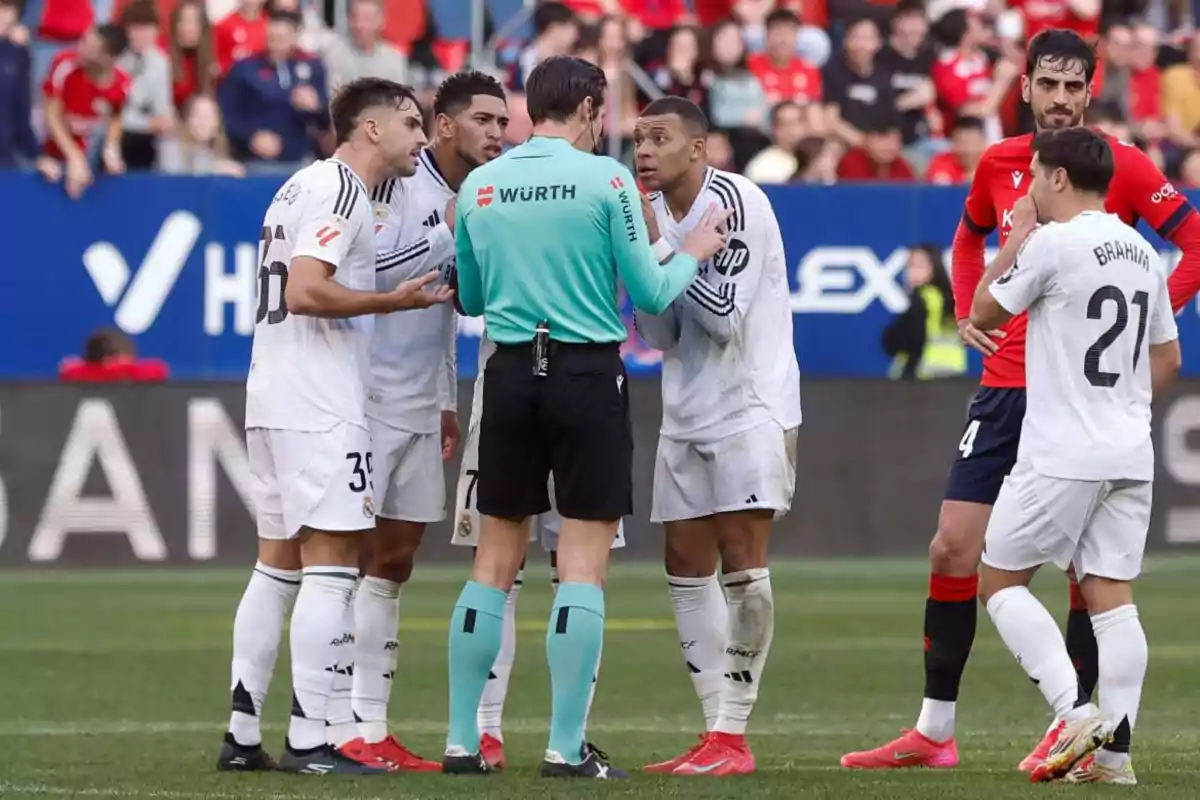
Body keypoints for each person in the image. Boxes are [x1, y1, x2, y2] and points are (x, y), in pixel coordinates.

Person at [841, 27, 1200, 772]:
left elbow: (1194, 242)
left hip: (1076, 400)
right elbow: (969, 236)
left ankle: (1073, 724)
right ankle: (937, 729)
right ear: (1027, 83)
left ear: (1091, 90)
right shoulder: (1005, 163)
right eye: (1050, 84)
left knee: (1080, 578)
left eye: (1075, 86)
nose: (1062, 99)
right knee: (953, 546)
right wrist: (978, 311)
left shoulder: (1118, 168)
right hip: (1009, 390)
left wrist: (1139, 331)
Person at [443, 55, 728, 779]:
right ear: (593, 109)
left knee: (492, 563)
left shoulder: (480, 184)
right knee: (581, 564)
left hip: (506, 372)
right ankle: (565, 747)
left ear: (528, 110)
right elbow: (653, 290)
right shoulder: (606, 181)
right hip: (583, 370)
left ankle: (459, 743)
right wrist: (693, 250)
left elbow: (469, 299)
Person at [216, 77, 454, 776]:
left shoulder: (296, 187)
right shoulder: (343, 189)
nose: (421, 138)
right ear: (371, 129)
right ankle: (312, 738)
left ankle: (241, 732)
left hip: (273, 394)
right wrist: (389, 302)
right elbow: (307, 287)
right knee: (334, 563)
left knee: (276, 563)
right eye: (411, 124)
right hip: (318, 403)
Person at [970, 127, 1180, 785]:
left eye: (1034, 176)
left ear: (1059, 178)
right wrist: (1125, 409)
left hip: (1063, 449)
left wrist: (1013, 241)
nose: (1028, 188)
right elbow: (1167, 357)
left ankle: (1071, 711)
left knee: (999, 581)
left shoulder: (1053, 244)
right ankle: (1114, 763)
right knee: (1113, 602)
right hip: (1129, 448)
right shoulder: (1144, 252)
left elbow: (983, 310)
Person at [320, 70, 510, 773]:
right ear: (444, 124)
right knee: (349, 560)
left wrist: (445, 400)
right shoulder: (394, 181)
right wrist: (445, 233)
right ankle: (336, 721)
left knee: (396, 563)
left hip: (418, 401)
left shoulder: (477, 196)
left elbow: (449, 310)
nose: (497, 132)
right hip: (362, 399)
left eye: (503, 120)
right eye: (484, 120)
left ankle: (374, 724)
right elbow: (362, 280)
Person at [632, 97, 801, 777]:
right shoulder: (652, 215)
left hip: (750, 406)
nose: (644, 150)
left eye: (660, 138)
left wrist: (663, 250)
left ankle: (734, 733)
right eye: (639, 139)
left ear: (697, 148)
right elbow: (660, 333)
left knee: (742, 563)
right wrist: (653, 257)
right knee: (682, 563)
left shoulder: (737, 203)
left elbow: (725, 317)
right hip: (686, 407)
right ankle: (712, 732)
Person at [37, 24, 130, 199]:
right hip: (48, 150)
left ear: (107, 58)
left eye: (90, 47)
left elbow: (116, 117)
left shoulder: (122, 83)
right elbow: (51, 116)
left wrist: (111, 147)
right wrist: (74, 157)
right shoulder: (64, 65)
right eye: (83, 40)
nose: (81, 48)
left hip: (89, 153)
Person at [882, 244, 966, 380]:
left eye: (920, 266)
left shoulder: (923, 298)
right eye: (910, 266)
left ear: (935, 268)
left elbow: (913, 338)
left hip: (925, 374)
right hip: (953, 374)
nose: (913, 272)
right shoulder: (951, 300)